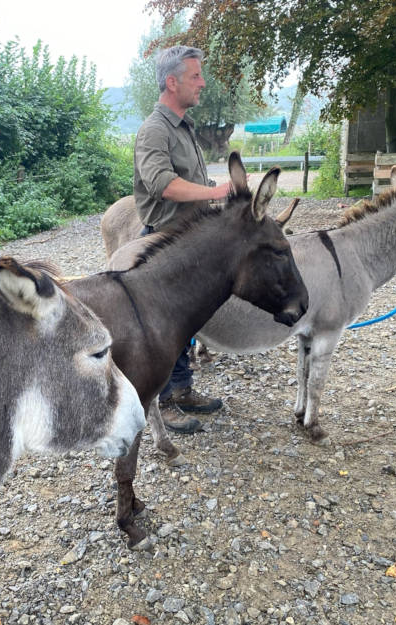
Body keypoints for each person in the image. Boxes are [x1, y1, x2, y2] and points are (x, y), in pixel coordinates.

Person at [133, 45, 232, 434]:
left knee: (187, 321)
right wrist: (213, 194)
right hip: (165, 242)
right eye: (195, 76)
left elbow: (191, 180)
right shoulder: (155, 130)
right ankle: (163, 402)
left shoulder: (183, 127)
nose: (202, 83)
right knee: (165, 328)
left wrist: (219, 192)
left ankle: (183, 388)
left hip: (188, 240)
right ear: (171, 82)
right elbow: (162, 185)